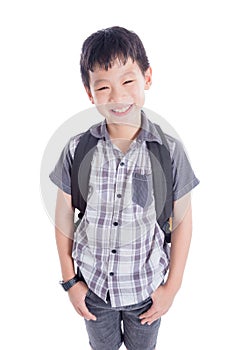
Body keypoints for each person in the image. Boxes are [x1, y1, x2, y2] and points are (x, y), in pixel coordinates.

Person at [49, 26, 199, 350]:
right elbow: (63, 217)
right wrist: (71, 281)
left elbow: (183, 221)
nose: (117, 97)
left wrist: (171, 288)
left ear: (147, 77)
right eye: (103, 86)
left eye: (128, 81)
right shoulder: (78, 149)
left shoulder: (168, 151)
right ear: (89, 93)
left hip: (145, 291)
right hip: (93, 289)